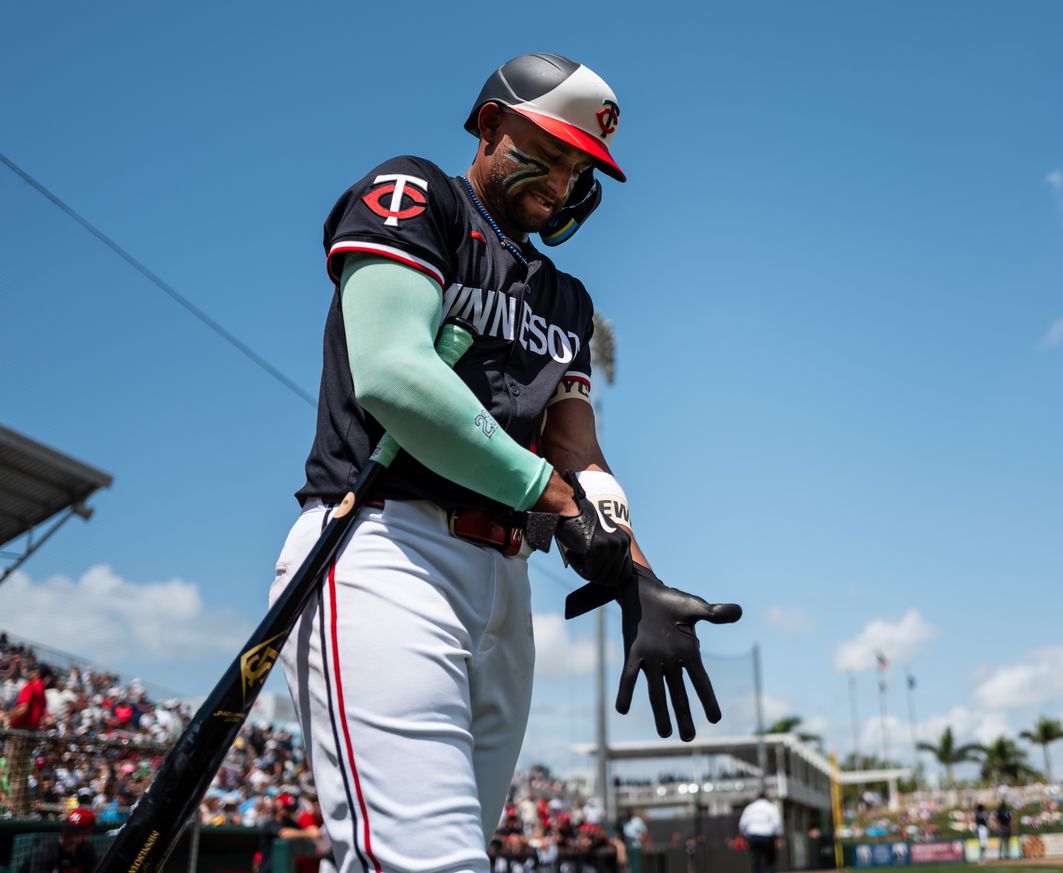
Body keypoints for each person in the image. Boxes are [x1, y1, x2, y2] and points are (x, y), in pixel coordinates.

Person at [273, 51, 741, 873]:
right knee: (428, 863)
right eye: (550, 152)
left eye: (580, 168)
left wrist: (637, 575)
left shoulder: (566, 299)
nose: (562, 184)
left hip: (505, 585)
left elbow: (576, 450)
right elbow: (391, 374)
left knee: (441, 855)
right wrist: (553, 499)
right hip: (386, 549)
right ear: (490, 123)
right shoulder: (415, 194)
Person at [5, 663, 50, 816]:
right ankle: (25, 810)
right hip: (31, 734)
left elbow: (22, 710)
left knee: (14, 773)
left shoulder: (30, 686)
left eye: (31, 670)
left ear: (37, 672)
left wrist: (7, 716)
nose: (28, 672)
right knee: (21, 774)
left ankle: (17, 812)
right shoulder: (42, 692)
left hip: (20, 734)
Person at [254, 794, 320, 873]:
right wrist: (307, 833)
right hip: (269, 869)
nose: (290, 811)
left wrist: (306, 833)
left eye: (292, 808)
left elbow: (315, 833)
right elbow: (284, 833)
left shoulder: (291, 823)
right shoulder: (270, 824)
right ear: (278, 807)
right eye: (287, 808)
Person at [21, 808, 97, 873]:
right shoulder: (44, 851)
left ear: (86, 836)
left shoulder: (87, 851)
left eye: (73, 833)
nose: (66, 836)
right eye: (65, 830)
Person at [738, 793, 783, 873]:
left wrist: (743, 835)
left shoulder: (750, 808)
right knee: (770, 860)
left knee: (756, 860)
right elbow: (777, 823)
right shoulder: (771, 807)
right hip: (768, 836)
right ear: (766, 798)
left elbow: (743, 823)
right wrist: (779, 837)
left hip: (754, 836)